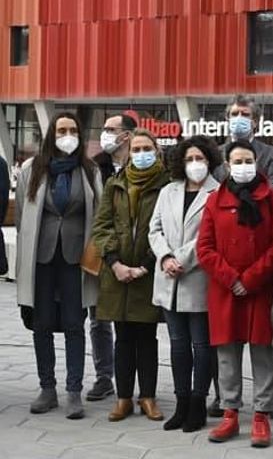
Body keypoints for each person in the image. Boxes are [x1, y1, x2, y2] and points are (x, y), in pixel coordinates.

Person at [15, 112, 102, 419]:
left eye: (73, 130)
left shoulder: (89, 170)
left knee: (74, 324)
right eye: (62, 130)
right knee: (41, 324)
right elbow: (24, 218)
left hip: (75, 259)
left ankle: (74, 391)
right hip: (41, 258)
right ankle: (47, 388)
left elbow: (100, 214)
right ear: (51, 133)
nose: (67, 135)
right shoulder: (32, 168)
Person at [197, 140, 273, 448]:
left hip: (261, 289)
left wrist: (252, 278)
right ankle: (230, 412)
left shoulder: (272, 198)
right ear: (227, 165)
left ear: (256, 163)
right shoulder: (213, 200)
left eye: (248, 160)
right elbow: (204, 248)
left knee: (264, 354)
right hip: (226, 290)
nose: (243, 165)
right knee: (227, 356)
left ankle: (262, 415)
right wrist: (232, 278)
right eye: (237, 160)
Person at [211, 94, 273, 420]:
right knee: (226, 344)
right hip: (226, 273)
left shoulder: (271, 155)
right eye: (233, 113)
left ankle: (271, 401)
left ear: (256, 120)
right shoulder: (215, 157)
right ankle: (226, 402)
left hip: (260, 270)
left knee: (265, 341)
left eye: (244, 113)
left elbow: (271, 194)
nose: (238, 118)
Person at [92, 128, 170, 422]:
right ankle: (123, 398)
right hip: (117, 273)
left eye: (146, 148)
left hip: (150, 272)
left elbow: (167, 230)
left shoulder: (167, 185)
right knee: (122, 337)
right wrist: (114, 263)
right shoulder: (115, 183)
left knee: (147, 337)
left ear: (157, 151)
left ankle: (147, 397)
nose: (140, 154)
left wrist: (146, 266)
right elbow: (102, 226)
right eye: (135, 149)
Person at [148, 136, 222, 433]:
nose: (195, 164)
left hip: (198, 277)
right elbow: (154, 229)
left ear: (210, 161)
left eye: (200, 158)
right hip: (168, 278)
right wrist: (165, 257)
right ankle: (180, 403)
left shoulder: (218, 192)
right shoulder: (168, 191)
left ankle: (198, 403)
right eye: (190, 158)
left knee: (202, 346)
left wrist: (180, 260)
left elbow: (209, 235)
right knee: (178, 346)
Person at [86, 113, 136, 403]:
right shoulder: (95, 168)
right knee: (98, 319)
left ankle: (135, 384)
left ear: (126, 135)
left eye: (110, 129)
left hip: (134, 253)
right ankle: (104, 377)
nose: (104, 134)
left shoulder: (143, 164)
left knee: (134, 323)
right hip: (101, 253)